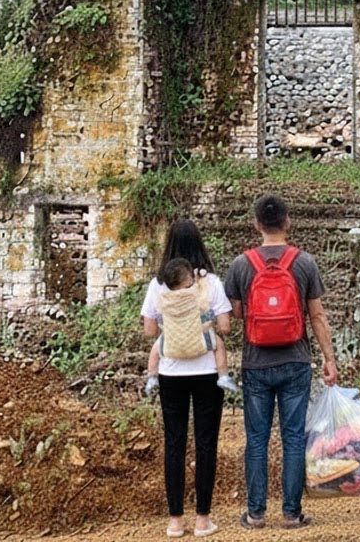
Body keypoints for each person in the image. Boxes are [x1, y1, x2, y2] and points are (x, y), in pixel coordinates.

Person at [224, 194, 338, 531]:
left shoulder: (241, 264)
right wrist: (329, 359)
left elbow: (237, 314)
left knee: (257, 439)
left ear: (256, 224)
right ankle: (291, 513)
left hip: (256, 363)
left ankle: (256, 514)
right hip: (296, 360)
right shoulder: (304, 263)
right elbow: (317, 316)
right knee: (293, 437)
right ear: (287, 222)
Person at [141, 220, 231, 539]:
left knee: (174, 443)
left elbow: (149, 329)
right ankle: (203, 519)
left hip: (170, 372)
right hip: (207, 372)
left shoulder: (158, 285)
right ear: (200, 244)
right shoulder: (211, 282)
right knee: (206, 443)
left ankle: (175, 521)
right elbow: (225, 326)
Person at [144, 260, 240, 395]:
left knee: (156, 349)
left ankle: (152, 376)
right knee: (218, 345)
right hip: (203, 353)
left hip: (171, 346)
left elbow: (149, 331)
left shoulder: (163, 295)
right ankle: (223, 376)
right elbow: (224, 327)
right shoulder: (199, 289)